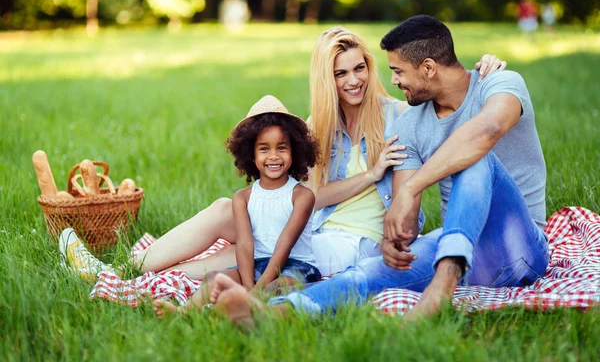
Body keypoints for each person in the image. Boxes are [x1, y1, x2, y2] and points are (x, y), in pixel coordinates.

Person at [59, 29, 506, 283]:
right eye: (340, 73)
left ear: (371, 68)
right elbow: (315, 196)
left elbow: (452, 104)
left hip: (359, 242)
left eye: (360, 68)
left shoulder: (398, 117)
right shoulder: (316, 127)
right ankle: (123, 270)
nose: (354, 81)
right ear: (325, 79)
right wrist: (371, 175)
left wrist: (482, 70)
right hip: (317, 223)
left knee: (239, 254)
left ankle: (128, 277)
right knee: (226, 214)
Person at [208, 15, 550, 325]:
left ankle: (442, 286)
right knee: (366, 272)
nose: (392, 80)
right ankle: (275, 313)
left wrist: (415, 187)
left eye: (399, 71)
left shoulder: (500, 83)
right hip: (458, 248)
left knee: (478, 157)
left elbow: (486, 132)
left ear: (428, 67)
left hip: (520, 245)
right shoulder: (412, 123)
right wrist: (393, 241)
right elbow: (404, 211)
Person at [152, 95, 321, 316]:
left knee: (276, 287)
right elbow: (244, 244)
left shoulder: (302, 195)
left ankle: (248, 308)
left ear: (295, 150)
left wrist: (258, 288)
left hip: (295, 266)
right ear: (250, 154)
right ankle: (184, 312)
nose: (273, 156)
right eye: (264, 149)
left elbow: (284, 244)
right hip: (256, 263)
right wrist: (248, 282)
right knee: (215, 278)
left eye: (282, 148)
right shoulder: (243, 198)